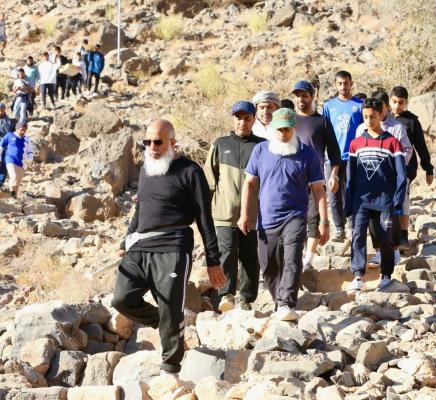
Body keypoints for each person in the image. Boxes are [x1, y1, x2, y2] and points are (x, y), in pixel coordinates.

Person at [111, 119, 226, 375]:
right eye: (147, 142)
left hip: (173, 246)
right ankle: (166, 325)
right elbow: (140, 210)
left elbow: (205, 218)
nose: (152, 147)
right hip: (140, 247)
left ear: (173, 143)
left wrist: (213, 260)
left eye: (158, 142)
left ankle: (170, 369)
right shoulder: (146, 170)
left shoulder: (190, 172)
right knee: (121, 299)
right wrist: (126, 240)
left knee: (171, 309)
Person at [238, 108, 329, 321]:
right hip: (267, 218)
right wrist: (244, 214)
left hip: (295, 215)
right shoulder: (260, 150)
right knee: (268, 266)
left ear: (294, 128)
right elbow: (249, 184)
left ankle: (286, 303)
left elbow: (318, 190)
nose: (283, 133)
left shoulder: (307, 154)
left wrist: (324, 222)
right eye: (279, 129)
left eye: (287, 129)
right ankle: (279, 301)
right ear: (272, 128)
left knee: (292, 258)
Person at [204, 101, 265, 312]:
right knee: (226, 253)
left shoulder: (262, 146)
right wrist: (204, 211)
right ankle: (225, 295)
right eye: (238, 118)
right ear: (233, 119)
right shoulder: (220, 145)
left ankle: (246, 298)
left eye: (247, 118)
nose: (242, 122)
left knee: (250, 257)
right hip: (224, 213)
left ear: (254, 120)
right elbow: (209, 181)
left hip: (253, 215)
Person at [345, 98, 407, 291]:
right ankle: (358, 276)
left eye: (372, 116)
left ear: (381, 115)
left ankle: (386, 275)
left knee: (384, 238)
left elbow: (401, 175)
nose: (369, 120)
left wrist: (397, 200)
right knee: (357, 236)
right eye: (365, 117)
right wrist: (348, 203)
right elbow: (350, 176)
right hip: (361, 201)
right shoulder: (355, 144)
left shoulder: (392, 143)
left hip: (384, 201)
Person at [355, 90, 413, 262]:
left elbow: (407, 150)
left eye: (379, 109)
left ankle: (395, 250)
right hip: (369, 180)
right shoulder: (361, 129)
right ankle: (379, 251)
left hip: (391, 179)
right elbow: (357, 152)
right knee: (372, 217)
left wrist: (395, 166)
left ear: (384, 109)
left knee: (391, 215)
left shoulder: (397, 128)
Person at [291, 80, 342, 268]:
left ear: (312, 96)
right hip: (292, 179)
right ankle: (294, 256)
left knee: (313, 218)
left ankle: (308, 261)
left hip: (315, 179)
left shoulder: (322, 122)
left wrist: (334, 175)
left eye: (304, 95)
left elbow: (334, 153)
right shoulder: (289, 121)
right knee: (295, 220)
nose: (300, 99)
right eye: (298, 96)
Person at [389, 86, 434, 248]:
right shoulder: (383, 119)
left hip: (406, 167)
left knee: (403, 197)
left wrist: (428, 169)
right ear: (389, 100)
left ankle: (403, 234)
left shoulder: (412, 121)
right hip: (385, 167)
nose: (397, 106)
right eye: (394, 102)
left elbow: (421, 147)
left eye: (401, 103)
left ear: (406, 103)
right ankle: (388, 233)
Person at [322, 70, 364, 242]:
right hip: (332, 158)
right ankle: (339, 229)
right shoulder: (328, 106)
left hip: (353, 156)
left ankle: (353, 226)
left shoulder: (359, 105)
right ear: (335, 84)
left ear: (351, 83)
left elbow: (365, 130)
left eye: (346, 83)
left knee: (351, 192)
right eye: (340, 83)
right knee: (333, 194)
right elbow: (324, 131)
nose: (343, 86)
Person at [0, 121, 32, 198]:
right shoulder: (9, 135)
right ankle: (12, 195)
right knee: (13, 177)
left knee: (18, 181)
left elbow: (30, 151)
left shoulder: (27, 139)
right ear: (17, 128)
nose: (23, 132)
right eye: (21, 130)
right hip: (10, 160)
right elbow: (0, 146)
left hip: (22, 162)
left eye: (24, 130)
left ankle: (14, 197)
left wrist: (30, 159)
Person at [0, 103, 15, 188]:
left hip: (5, 146)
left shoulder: (9, 121)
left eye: (1, 110)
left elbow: (11, 134)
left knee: (4, 165)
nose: (0, 112)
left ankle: (0, 182)